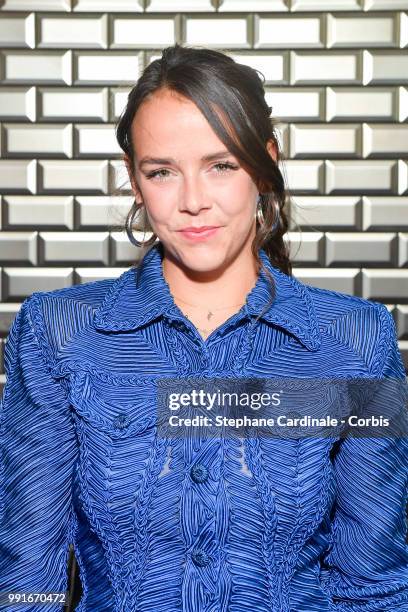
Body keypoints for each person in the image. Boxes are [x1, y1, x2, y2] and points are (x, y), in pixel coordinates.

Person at [0, 43, 407, 612]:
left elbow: (377, 585)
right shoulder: (60, 335)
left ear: (266, 164)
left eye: (221, 165)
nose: (193, 201)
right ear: (135, 181)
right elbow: (26, 585)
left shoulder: (354, 339)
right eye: (162, 172)